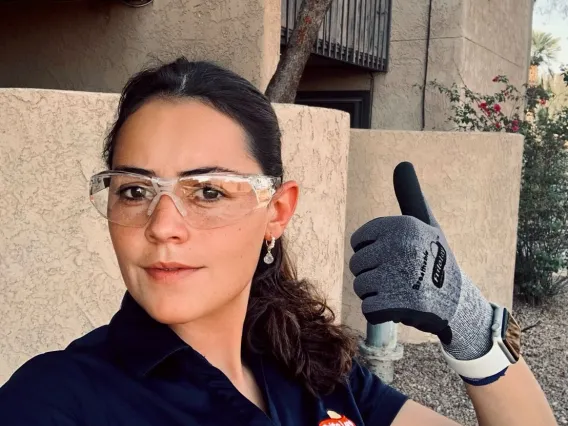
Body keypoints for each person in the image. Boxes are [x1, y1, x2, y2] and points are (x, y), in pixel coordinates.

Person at [0, 58, 557, 426]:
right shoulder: (54, 403)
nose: (162, 225)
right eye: (135, 189)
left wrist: (471, 325)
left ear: (278, 210)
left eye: (209, 191)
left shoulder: (315, 370)